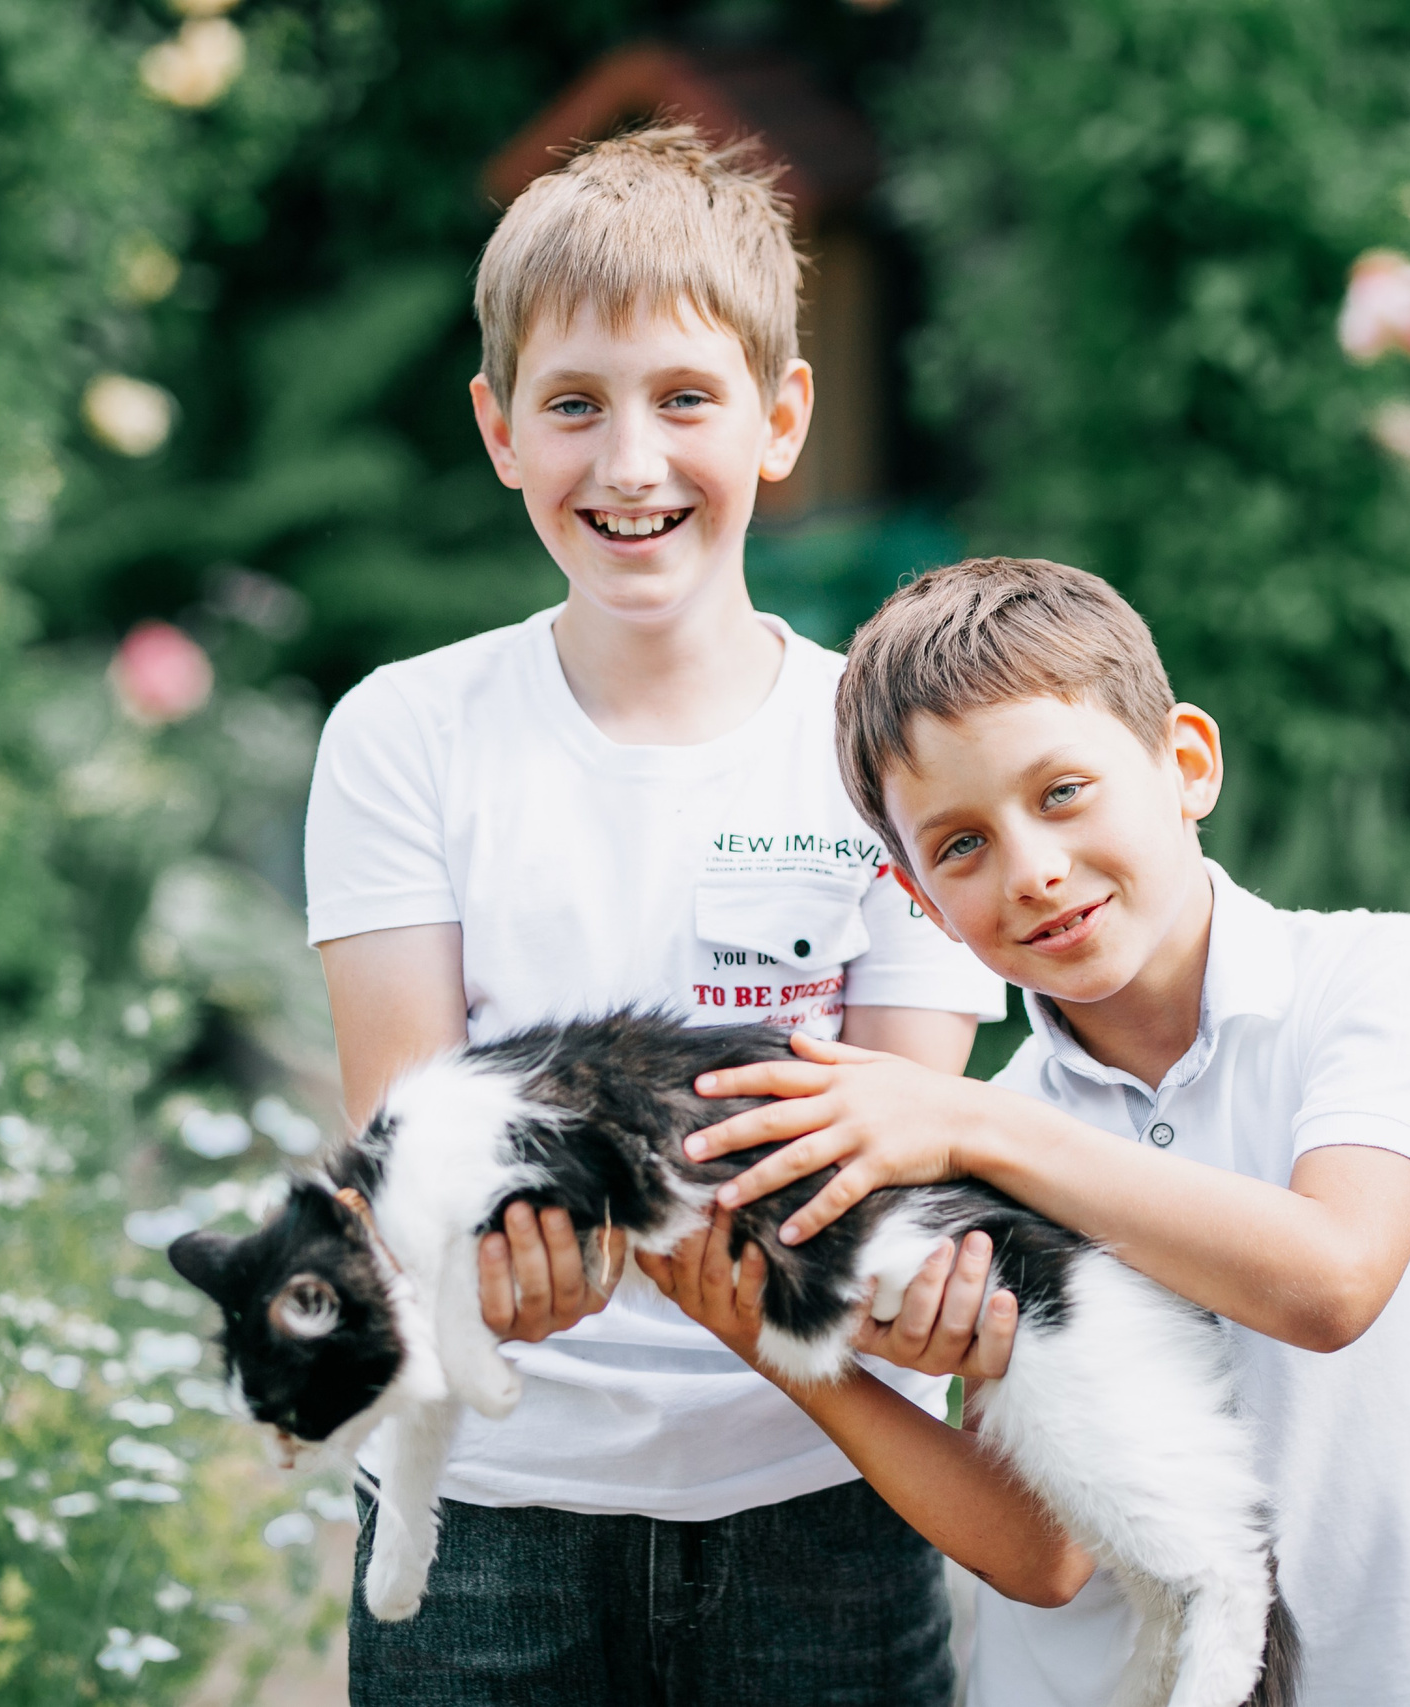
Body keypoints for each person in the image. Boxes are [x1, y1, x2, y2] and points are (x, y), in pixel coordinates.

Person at [302, 128, 1011, 1704]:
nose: (628, 463)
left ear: (782, 417)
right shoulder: (403, 734)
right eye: (574, 404)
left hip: (822, 1493)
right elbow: (405, 1161)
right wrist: (488, 1276)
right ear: (498, 430)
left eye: (684, 397)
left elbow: (905, 1143)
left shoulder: (891, 752)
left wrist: (941, 1302)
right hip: (490, 1512)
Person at [669, 556, 1410, 1705]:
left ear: (1185, 765)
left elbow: (1331, 1281)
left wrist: (973, 1126)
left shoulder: (1375, 978)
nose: (1033, 870)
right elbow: (1044, 1554)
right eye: (959, 846)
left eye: (1061, 792)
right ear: (920, 901)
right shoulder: (995, 1125)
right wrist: (785, 1348)